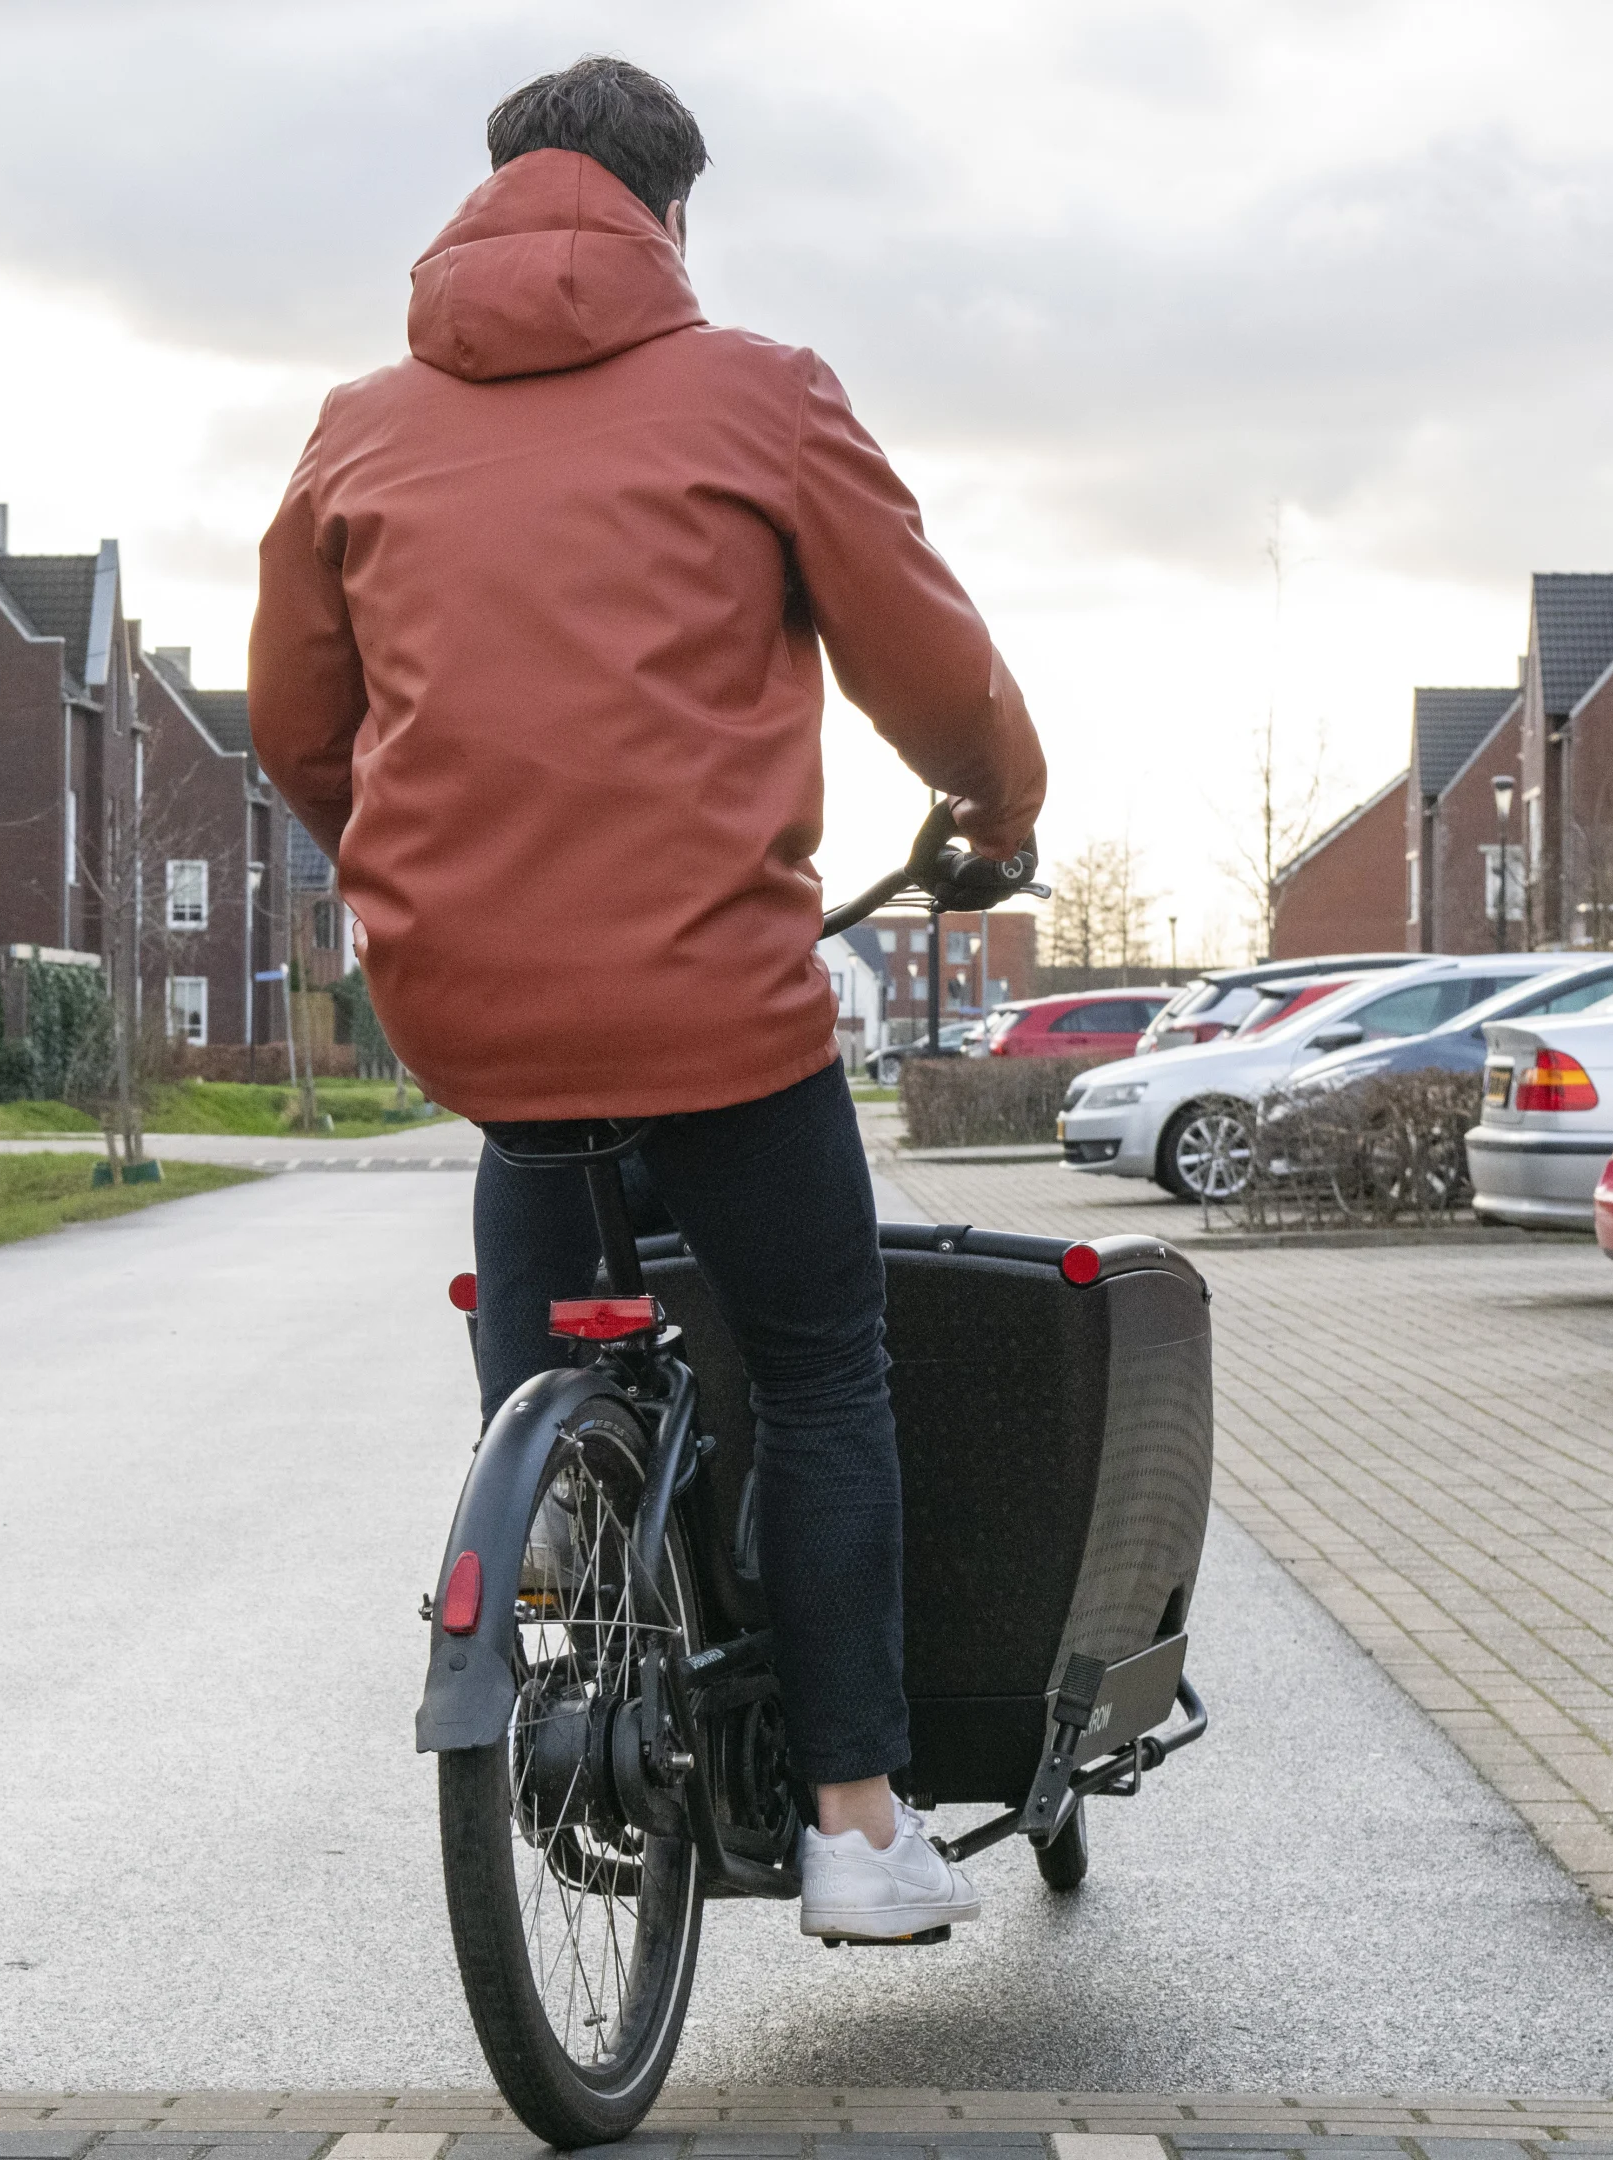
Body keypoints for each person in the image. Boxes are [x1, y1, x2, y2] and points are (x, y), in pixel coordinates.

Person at [246, 55, 1047, 1941]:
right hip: (719, 1011)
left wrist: (415, 866)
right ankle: (855, 1825)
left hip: (473, 1012)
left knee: (533, 1364)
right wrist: (997, 814)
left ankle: (547, 1620)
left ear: (500, 192)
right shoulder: (762, 395)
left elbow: (299, 726)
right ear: (671, 217)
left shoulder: (359, 427)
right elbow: (930, 670)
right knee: (826, 1370)